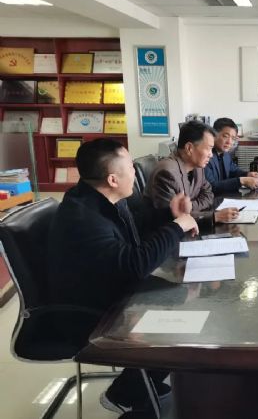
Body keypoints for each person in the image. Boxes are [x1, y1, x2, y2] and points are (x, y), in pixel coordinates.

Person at [47, 138, 199, 416]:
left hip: (112, 289)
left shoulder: (101, 198)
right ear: (113, 179)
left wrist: (170, 215)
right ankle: (126, 394)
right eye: (130, 166)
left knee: (187, 299)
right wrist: (177, 226)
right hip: (88, 311)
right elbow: (134, 264)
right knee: (185, 322)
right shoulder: (84, 218)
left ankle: (138, 384)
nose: (136, 172)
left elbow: (137, 230)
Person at [146, 120, 239, 224]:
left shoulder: (197, 167)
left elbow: (209, 195)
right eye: (208, 149)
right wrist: (213, 217)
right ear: (189, 148)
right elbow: (174, 218)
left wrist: (189, 206)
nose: (211, 155)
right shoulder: (166, 173)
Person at [205, 117, 258, 194]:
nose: (229, 142)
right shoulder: (206, 156)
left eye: (233, 138)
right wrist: (241, 181)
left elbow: (233, 170)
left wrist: (247, 174)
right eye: (225, 136)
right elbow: (211, 187)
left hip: (226, 196)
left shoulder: (225, 154)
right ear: (214, 135)